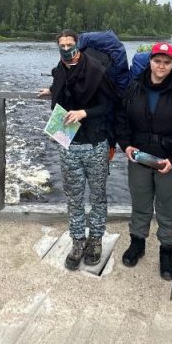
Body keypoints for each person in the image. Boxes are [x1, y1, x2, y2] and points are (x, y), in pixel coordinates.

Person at [116, 42, 172, 280]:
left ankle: (166, 251)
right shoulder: (133, 87)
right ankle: (137, 243)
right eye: (157, 60)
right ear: (150, 61)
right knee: (140, 202)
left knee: (168, 207)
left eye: (166, 62)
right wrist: (125, 144)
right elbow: (122, 118)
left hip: (170, 160)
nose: (161, 66)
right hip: (139, 156)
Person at [40, 29, 116, 270]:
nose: (65, 48)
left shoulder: (96, 71)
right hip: (68, 143)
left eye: (69, 43)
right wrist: (52, 91)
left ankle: (95, 240)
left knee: (97, 196)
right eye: (61, 44)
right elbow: (66, 88)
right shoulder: (60, 70)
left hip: (95, 143)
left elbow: (110, 103)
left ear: (78, 45)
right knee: (73, 197)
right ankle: (77, 241)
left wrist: (85, 113)